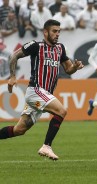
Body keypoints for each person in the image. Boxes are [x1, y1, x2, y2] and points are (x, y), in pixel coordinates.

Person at [0, 19, 84, 160]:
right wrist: (12, 77)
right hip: (36, 91)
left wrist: (75, 67)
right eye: (54, 31)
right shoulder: (35, 46)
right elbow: (14, 56)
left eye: (59, 31)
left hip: (45, 95)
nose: (57, 34)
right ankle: (46, 146)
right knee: (61, 111)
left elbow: (68, 69)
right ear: (45, 32)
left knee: (19, 130)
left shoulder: (60, 48)